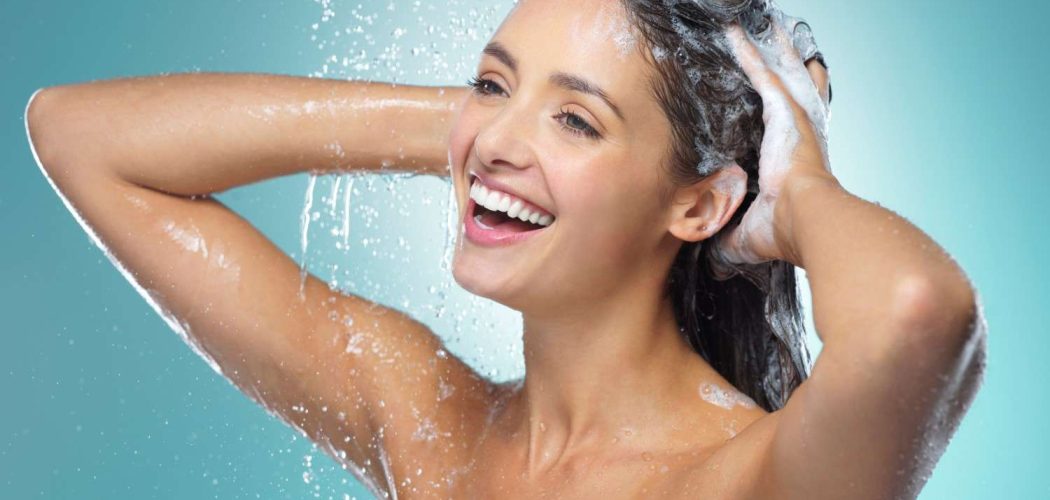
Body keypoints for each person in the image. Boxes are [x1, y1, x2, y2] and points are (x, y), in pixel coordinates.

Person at [24, 0, 986, 497]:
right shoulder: (429, 426)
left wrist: (798, 190)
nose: (499, 137)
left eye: (578, 120)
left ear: (698, 207)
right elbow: (83, 138)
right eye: (490, 82)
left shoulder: (758, 478)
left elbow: (920, 315)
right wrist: (482, 136)